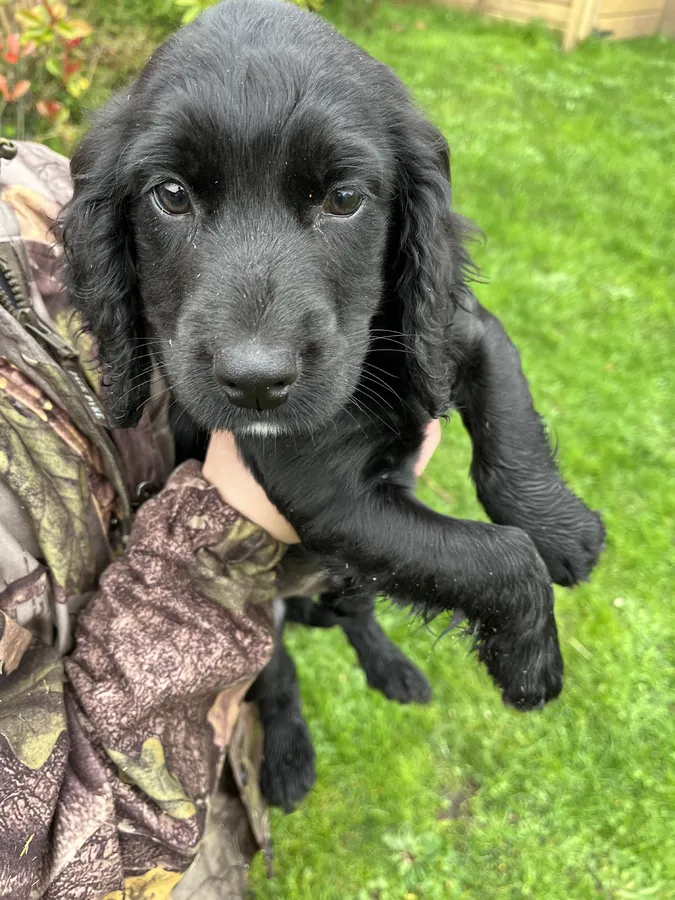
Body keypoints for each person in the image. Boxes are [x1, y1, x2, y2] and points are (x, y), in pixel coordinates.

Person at [0, 140, 441, 900]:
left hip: (212, 750)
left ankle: (362, 633)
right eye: (174, 196)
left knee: (347, 556)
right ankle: (285, 700)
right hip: (158, 849)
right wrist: (231, 532)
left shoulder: (35, 181)